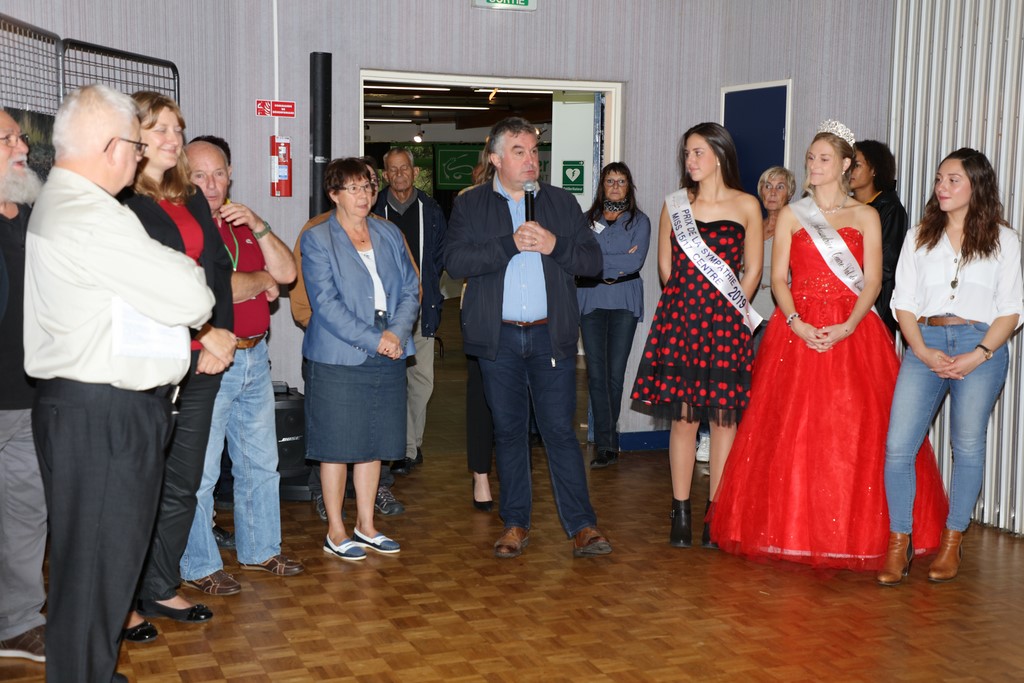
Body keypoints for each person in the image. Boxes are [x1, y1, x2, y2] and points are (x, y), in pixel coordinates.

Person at [23, 84, 214, 683]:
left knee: (97, 569)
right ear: (111, 147)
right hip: (102, 413)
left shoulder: (78, 204)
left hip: (93, 410)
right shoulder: (90, 215)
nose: (141, 155)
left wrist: (171, 276)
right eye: (136, 144)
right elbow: (193, 295)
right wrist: (182, 273)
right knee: (96, 572)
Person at [708, 121, 948, 572]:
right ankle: (789, 532)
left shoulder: (867, 216)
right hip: (797, 331)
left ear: (844, 165)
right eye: (811, 157)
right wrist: (795, 322)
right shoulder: (793, 215)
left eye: (823, 158)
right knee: (791, 431)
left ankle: (857, 535)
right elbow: (779, 279)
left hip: (853, 330)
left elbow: (873, 281)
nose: (814, 165)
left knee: (853, 432)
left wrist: (848, 325)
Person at [446, 116, 612, 560]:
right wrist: (509, 244)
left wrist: (555, 244)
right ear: (496, 159)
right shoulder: (471, 204)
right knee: (509, 432)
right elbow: (456, 261)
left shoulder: (561, 202)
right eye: (519, 151)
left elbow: (592, 262)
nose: (530, 160)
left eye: (534, 151)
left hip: (549, 338)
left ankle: (582, 525)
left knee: (559, 432)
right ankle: (515, 523)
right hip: (498, 340)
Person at [879, 148, 1023, 585]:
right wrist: (922, 351)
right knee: (898, 446)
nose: (942, 186)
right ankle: (899, 543)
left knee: (968, 445)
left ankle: (952, 539)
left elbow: (1012, 309)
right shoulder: (919, 236)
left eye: (953, 179)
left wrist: (979, 354)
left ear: (977, 186)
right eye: (940, 179)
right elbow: (902, 302)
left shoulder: (1004, 240)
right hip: (925, 342)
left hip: (981, 347)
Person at [122, 91, 235, 638]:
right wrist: (205, 332)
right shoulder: (120, 200)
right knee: (136, 485)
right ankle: (123, 599)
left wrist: (223, 336)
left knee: (183, 483)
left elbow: (216, 267)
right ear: (133, 136)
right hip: (150, 360)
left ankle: (160, 584)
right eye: (160, 129)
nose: (173, 139)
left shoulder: (187, 196)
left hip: (202, 360)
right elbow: (139, 287)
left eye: (177, 128)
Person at [177, 138, 303, 598]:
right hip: (210, 361)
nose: (211, 185)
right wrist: (261, 280)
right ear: (184, 178)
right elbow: (214, 288)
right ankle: (198, 564)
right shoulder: (184, 226)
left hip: (253, 356)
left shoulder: (241, 223)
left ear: (230, 175)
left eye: (218, 174)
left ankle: (260, 549)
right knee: (202, 471)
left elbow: (288, 273)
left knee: (261, 464)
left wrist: (259, 225)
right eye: (199, 175)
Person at [631, 122, 763, 549]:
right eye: (687, 153)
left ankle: (715, 512)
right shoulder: (675, 205)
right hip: (682, 320)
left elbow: (753, 269)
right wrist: (688, 303)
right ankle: (681, 509)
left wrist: (732, 309)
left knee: (724, 421)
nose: (690, 160)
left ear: (720, 155)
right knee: (684, 419)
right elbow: (665, 267)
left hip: (726, 324)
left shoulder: (747, 205)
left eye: (698, 152)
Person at [301, 157, 419, 561]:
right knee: (337, 445)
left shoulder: (388, 232)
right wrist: (376, 339)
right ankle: (336, 531)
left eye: (368, 186)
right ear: (334, 193)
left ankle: (366, 526)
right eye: (353, 188)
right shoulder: (318, 238)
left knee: (374, 441)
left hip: (390, 344)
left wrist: (396, 333)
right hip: (340, 354)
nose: (364, 195)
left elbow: (411, 288)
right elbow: (326, 305)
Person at [0, 109, 46, 665]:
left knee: (25, 513)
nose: (21, 147)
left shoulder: (34, 216)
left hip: (29, 396)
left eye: (20, 137)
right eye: (7, 139)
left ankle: (18, 623)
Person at [373, 148, 447, 475]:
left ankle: (411, 444)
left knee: (422, 381)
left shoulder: (430, 210)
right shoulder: (374, 209)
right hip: (385, 313)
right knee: (393, 381)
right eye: (393, 169)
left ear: (415, 172)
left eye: (405, 168)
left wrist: (425, 286)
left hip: (422, 308)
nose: (400, 174)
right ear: (385, 175)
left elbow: (440, 256)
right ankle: (404, 449)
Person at [577, 162, 650, 469]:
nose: (616, 186)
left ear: (629, 186)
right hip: (591, 300)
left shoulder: (640, 221)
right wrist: (614, 260)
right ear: (602, 186)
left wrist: (598, 261)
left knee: (614, 375)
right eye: (610, 181)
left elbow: (635, 262)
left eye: (621, 181)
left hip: (623, 301)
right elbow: (579, 260)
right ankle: (605, 443)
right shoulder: (585, 220)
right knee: (596, 375)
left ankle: (608, 441)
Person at [850, 140, 909, 335]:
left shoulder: (890, 209)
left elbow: (886, 265)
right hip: (841, 300)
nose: (850, 170)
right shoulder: (842, 206)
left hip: (875, 303)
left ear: (874, 169)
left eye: (857, 165)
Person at [751, 165, 795, 328]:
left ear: (789, 193)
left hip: (776, 315)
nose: (773, 193)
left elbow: (794, 272)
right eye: (768, 186)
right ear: (761, 191)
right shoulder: (752, 226)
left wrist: (754, 273)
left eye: (780, 187)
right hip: (746, 313)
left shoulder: (795, 229)